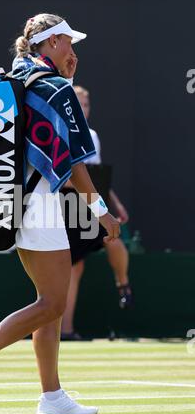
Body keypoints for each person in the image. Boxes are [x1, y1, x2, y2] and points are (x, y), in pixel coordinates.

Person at [0, 13, 120, 414]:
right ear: (51, 42)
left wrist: (69, 85)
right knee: (52, 302)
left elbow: (47, 137)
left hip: (17, 201)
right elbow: (74, 164)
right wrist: (102, 212)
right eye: (67, 43)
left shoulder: (21, 77)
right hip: (37, 204)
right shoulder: (55, 87)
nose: (73, 51)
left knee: (50, 303)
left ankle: (52, 397)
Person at [60, 86, 133, 341]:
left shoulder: (92, 136)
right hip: (63, 207)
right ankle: (66, 330)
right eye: (78, 105)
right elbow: (64, 178)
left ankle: (123, 283)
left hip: (90, 204)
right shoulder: (58, 130)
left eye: (87, 105)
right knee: (74, 267)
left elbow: (96, 177)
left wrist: (117, 204)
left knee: (114, 239)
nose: (83, 110)